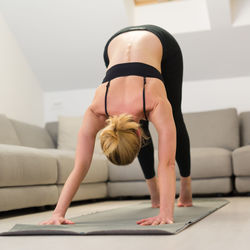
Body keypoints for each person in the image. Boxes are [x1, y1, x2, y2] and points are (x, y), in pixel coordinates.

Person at [41, 24, 192, 226]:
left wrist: (166, 214)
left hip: (160, 40)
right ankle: (154, 195)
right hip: (114, 43)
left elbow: (167, 163)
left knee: (175, 115)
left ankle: (186, 188)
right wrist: (57, 213)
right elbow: (81, 166)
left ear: (139, 136)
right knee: (159, 120)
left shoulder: (154, 101)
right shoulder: (96, 110)